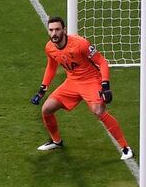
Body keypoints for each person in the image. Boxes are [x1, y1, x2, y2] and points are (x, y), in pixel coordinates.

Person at [30, 16, 133, 160]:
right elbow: (51, 67)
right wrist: (42, 90)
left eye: (57, 29)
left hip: (91, 80)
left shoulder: (80, 44)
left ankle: (125, 148)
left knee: (99, 111)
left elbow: (102, 62)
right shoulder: (49, 48)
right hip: (72, 82)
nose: (54, 33)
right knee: (46, 109)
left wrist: (105, 86)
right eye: (51, 30)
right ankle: (56, 141)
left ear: (64, 30)